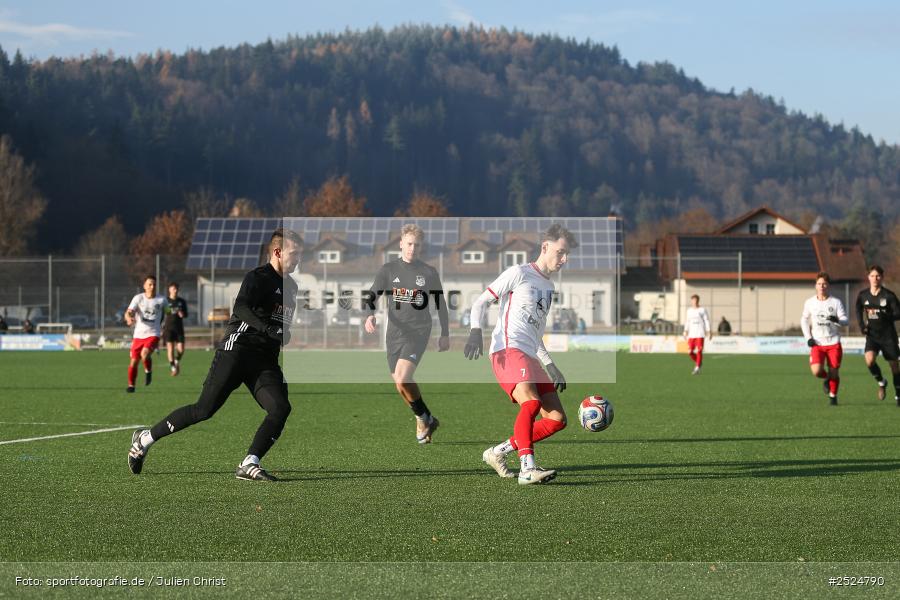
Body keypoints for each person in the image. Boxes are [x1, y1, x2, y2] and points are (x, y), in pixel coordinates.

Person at [127, 228, 301, 481]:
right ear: (277, 252)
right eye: (294, 254)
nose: (298, 260)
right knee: (204, 410)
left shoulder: (291, 287)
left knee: (280, 407)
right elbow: (241, 308)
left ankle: (249, 462)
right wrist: (267, 328)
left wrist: (285, 333)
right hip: (237, 351)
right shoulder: (258, 277)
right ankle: (145, 439)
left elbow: (282, 322)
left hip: (264, 360)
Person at [464, 224, 577, 485]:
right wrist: (475, 331)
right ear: (545, 247)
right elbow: (480, 302)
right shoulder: (518, 273)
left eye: (567, 254)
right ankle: (528, 468)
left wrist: (551, 365)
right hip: (507, 349)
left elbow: (535, 334)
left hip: (530, 354)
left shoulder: (548, 287)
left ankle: (497, 452)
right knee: (531, 403)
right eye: (561, 252)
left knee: (556, 420)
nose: (565, 259)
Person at [363, 224, 449, 444]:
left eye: (417, 245)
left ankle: (423, 419)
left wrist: (445, 333)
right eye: (409, 243)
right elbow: (372, 294)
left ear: (421, 247)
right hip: (394, 333)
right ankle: (426, 417)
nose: (412, 248)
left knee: (403, 378)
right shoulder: (388, 270)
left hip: (418, 332)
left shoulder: (429, 272)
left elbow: (440, 304)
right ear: (401, 244)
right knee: (400, 384)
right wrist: (370, 315)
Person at [855, 265, 900, 405]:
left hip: (888, 336)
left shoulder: (889, 295)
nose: (875, 278)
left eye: (878, 276)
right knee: (869, 360)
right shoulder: (863, 295)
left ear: (882, 277)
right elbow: (858, 310)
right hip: (872, 336)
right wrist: (862, 326)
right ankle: (881, 381)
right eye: (872, 276)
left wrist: (888, 316)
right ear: (868, 277)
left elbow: (898, 313)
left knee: (894, 366)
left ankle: (898, 395)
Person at [801, 272, 849, 406]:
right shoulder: (810, 302)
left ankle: (833, 397)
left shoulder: (835, 302)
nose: (822, 286)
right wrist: (808, 338)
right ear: (815, 285)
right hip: (817, 343)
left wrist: (838, 320)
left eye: (824, 284)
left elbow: (845, 320)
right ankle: (827, 378)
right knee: (816, 371)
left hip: (833, 342)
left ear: (828, 286)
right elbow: (804, 320)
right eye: (819, 284)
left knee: (834, 372)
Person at [124, 275, 166, 393]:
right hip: (138, 335)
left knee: (145, 353)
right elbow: (129, 312)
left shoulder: (162, 300)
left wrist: (170, 317)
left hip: (153, 333)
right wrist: (129, 318)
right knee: (134, 361)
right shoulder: (138, 298)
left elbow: (168, 312)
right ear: (144, 286)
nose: (152, 287)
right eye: (149, 284)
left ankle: (148, 371)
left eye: (154, 284)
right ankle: (131, 385)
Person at [162, 282, 189, 376]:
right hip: (168, 328)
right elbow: (163, 312)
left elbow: (186, 314)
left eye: (177, 289)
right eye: (173, 288)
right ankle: (173, 367)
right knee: (170, 349)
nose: (175, 290)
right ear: (169, 289)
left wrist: (182, 314)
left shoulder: (182, 301)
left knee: (181, 349)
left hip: (179, 328)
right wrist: (170, 310)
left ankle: (176, 361)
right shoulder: (165, 301)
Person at [683, 294, 711, 375]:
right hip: (691, 335)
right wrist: (685, 331)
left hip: (700, 334)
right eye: (692, 300)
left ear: (698, 301)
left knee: (699, 351)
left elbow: (706, 320)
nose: (694, 302)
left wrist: (709, 331)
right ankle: (699, 362)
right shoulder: (689, 311)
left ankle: (697, 367)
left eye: (695, 300)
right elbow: (687, 321)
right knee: (690, 352)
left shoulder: (702, 310)